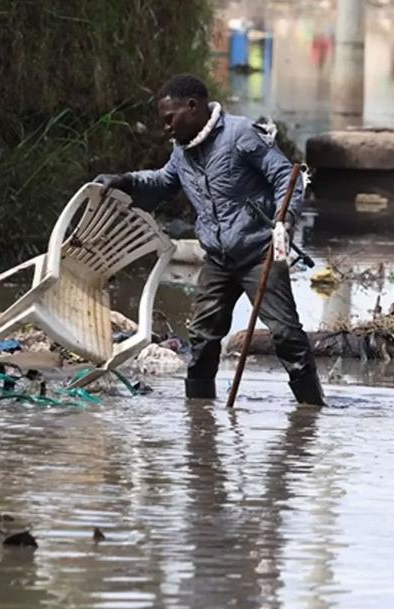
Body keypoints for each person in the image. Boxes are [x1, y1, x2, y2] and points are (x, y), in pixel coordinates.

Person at [98, 74, 323, 406]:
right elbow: (163, 182)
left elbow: (284, 177)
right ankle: (200, 417)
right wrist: (126, 181)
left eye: (170, 118)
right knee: (202, 339)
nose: (167, 128)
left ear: (193, 107)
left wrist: (283, 221)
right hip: (218, 259)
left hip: (259, 253)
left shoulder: (241, 134)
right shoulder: (182, 151)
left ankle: (312, 412)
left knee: (286, 334)